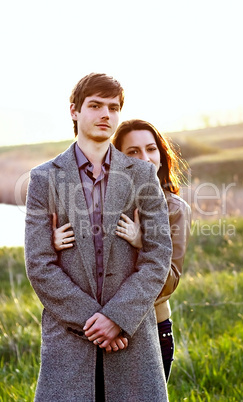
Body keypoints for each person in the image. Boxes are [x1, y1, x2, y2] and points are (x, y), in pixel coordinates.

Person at [25, 73, 172, 402]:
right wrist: (96, 322)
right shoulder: (43, 178)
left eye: (113, 107)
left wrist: (117, 318)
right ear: (75, 111)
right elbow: (39, 265)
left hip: (131, 339)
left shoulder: (143, 175)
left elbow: (158, 256)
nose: (106, 114)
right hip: (69, 341)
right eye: (96, 105)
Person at [53, 119, 191, 381]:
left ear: (162, 155)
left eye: (151, 149)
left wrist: (145, 244)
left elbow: (169, 282)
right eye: (133, 152)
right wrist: (57, 245)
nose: (146, 159)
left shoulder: (174, 209)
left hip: (147, 331)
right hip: (92, 330)